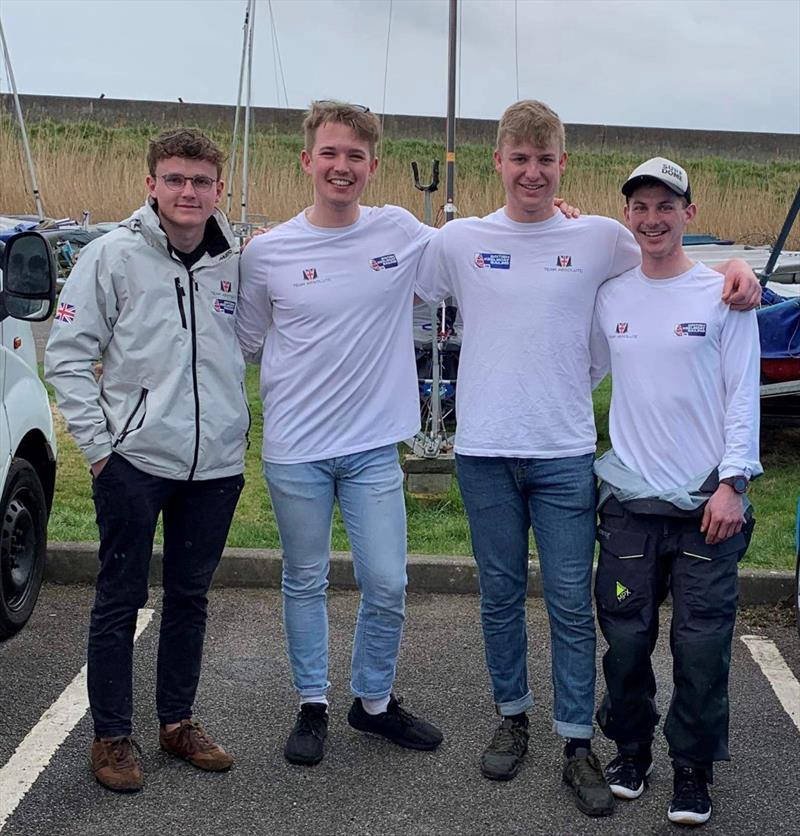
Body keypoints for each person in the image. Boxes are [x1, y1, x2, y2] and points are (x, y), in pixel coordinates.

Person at [415, 100, 761, 817]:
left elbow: (671, 259)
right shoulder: (459, 241)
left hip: (567, 454)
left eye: (546, 160)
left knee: (575, 605)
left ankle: (578, 742)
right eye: (520, 159)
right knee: (502, 598)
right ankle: (513, 718)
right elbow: (399, 292)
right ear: (499, 163)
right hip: (483, 453)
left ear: (563, 165)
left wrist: (738, 267)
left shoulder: (601, 236)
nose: (533, 172)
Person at [235, 100, 444, 767]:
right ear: (307, 161)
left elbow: (472, 251)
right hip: (297, 450)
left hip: (373, 446)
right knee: (304, 577)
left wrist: (561, 220)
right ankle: (312, 704)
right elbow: (242, 340)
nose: (342, 166)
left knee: (387, 581)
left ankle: (372, 702)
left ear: (372, 166)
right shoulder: (267, 253)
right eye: (330, 153)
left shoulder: (401, 231)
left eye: (355, 156)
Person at [45, 128, 249, 793]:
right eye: (175, 179)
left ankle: (176, 723)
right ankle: (111, 736)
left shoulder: (236, 261)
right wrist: (101, 451)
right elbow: (67, 358)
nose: (188, 192)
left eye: (201, 181)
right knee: (119, 598)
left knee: (189, 598)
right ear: (151, 184)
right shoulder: (110, 257)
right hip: (134, 461)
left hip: (214, 466)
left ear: (220, 189)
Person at [590, 157, 761, 826]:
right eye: (641, 207)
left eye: (667, 206)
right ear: (627, 215)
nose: (653, 218)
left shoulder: (723, 294)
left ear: (689, 213)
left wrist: (733, 483)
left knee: (700, 646)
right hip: (631, 505)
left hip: (706, 509)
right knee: (626, 643)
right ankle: (632, 750)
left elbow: (742, 394)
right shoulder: (612, 295)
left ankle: (692, 766)